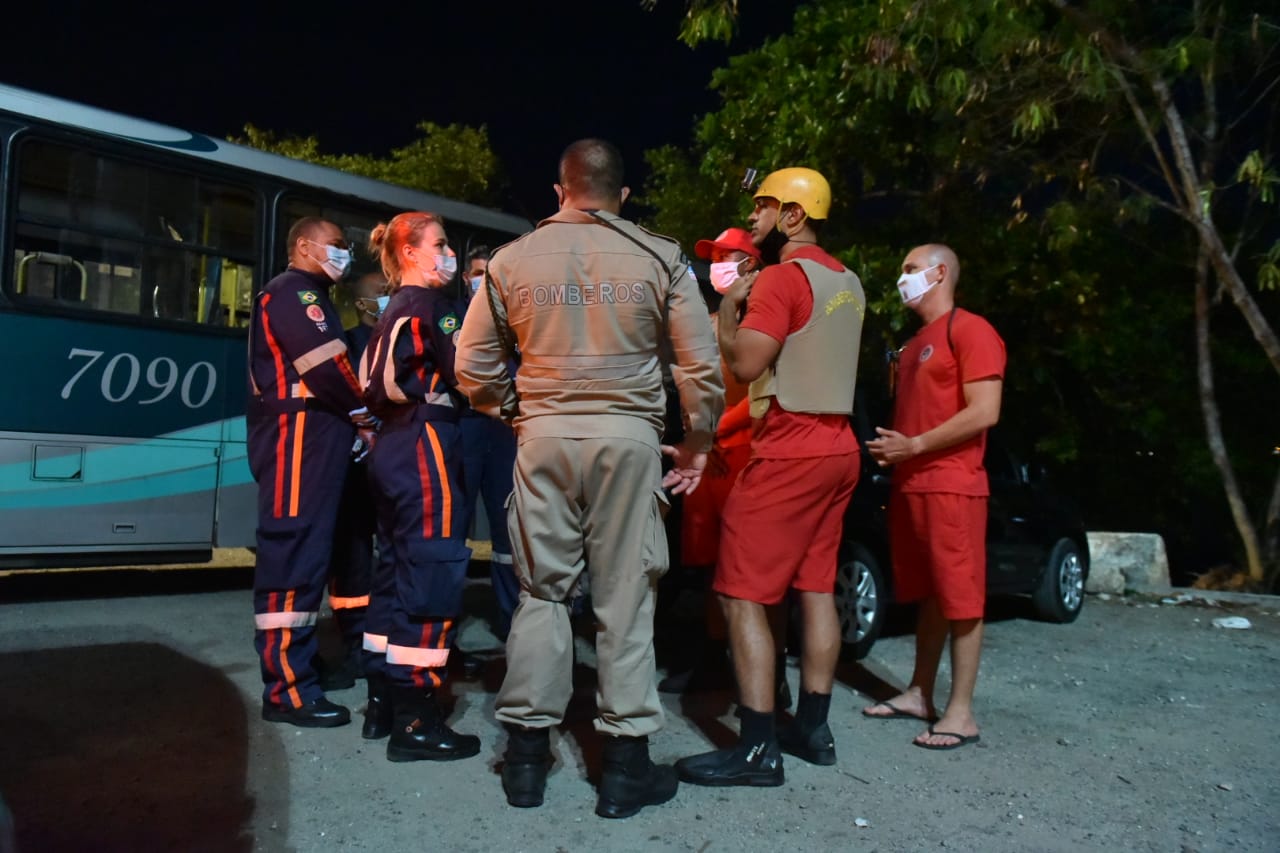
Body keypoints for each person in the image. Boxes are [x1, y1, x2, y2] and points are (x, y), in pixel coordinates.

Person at [454, 138, 723, 819]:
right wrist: (695, 442)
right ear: (623, 194)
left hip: (542, 436)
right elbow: (700, 368)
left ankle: (525, 761)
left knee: (542, 592)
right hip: (629, 441)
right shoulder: (661, 257)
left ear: (559, 190)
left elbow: (472, 364)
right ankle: (625, 769)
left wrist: (519, 414)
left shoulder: (511, 261)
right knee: (627, 597)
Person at [677, 167, 865, 787]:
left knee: (739, 594)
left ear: (793, 215)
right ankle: (813, 727)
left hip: (790, 445)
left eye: (764, 205)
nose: (755, 215)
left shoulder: (784, 277)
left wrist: (731, 313)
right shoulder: (850, 281)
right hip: (840, 444)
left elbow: (746, 360)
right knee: (815, 589)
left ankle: (757, 749)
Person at [862, 243, 1005, 751]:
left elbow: (985, 410)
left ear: (940, 272)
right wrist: (897, 451)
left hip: (952, 484)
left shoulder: (970, 329)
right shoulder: (915, 342)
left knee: (962, 598)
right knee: (930, 594)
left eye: (910, 269)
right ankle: (920, 693)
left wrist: (917, 445)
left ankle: (960, 713)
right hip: (912, 486)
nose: (902, 278)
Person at [360, 211, 479, 762]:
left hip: (391, 446)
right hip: (427, 440)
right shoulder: (433, 308)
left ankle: (381, 702)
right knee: (432, 570)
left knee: (394, 572)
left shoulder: (390, 311)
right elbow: (469, 375)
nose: (448, 253)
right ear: (410, 252)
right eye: (441, 243)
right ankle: (416, 720)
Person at [247, 217, 373, 727]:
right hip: (298, 443)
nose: (344, 254)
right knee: (293, 558)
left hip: (312, 441)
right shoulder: (297, 294)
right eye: (337, 245)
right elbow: (327, 366)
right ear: (304, 246)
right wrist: (364, 416)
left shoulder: (306, 294)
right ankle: (287, 690)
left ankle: (301, 669)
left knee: (313, 556)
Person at [660, 227, 759, 694]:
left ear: (752, 264)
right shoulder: (709, 315)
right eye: (714, 254)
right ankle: (713, 663)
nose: (718, 262)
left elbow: (761, 393)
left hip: (741, 459)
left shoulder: (762, 317)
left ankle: (757, 679)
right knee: (706, 571)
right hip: (705, 459)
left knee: (743, 573)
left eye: (728, 255)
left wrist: (710, 432)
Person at [319, 272, 388, 692]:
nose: (389, 300)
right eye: (382, 295)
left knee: (396, 558)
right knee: (351, 561)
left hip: (395, 467)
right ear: (362, 306)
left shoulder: (401, 341)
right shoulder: (346, 345)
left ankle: (384, 646)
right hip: (357, 470)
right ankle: (355, 645)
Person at [456, 245, 521, 643]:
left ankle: (511, 618)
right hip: (463, 429)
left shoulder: (516, 322)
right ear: (466, 277)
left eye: (491, 275)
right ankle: (443, 619)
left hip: (503, 434)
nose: (484, 281)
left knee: (508, 532)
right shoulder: (450, 319)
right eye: (478, 273)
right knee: (453, 527)